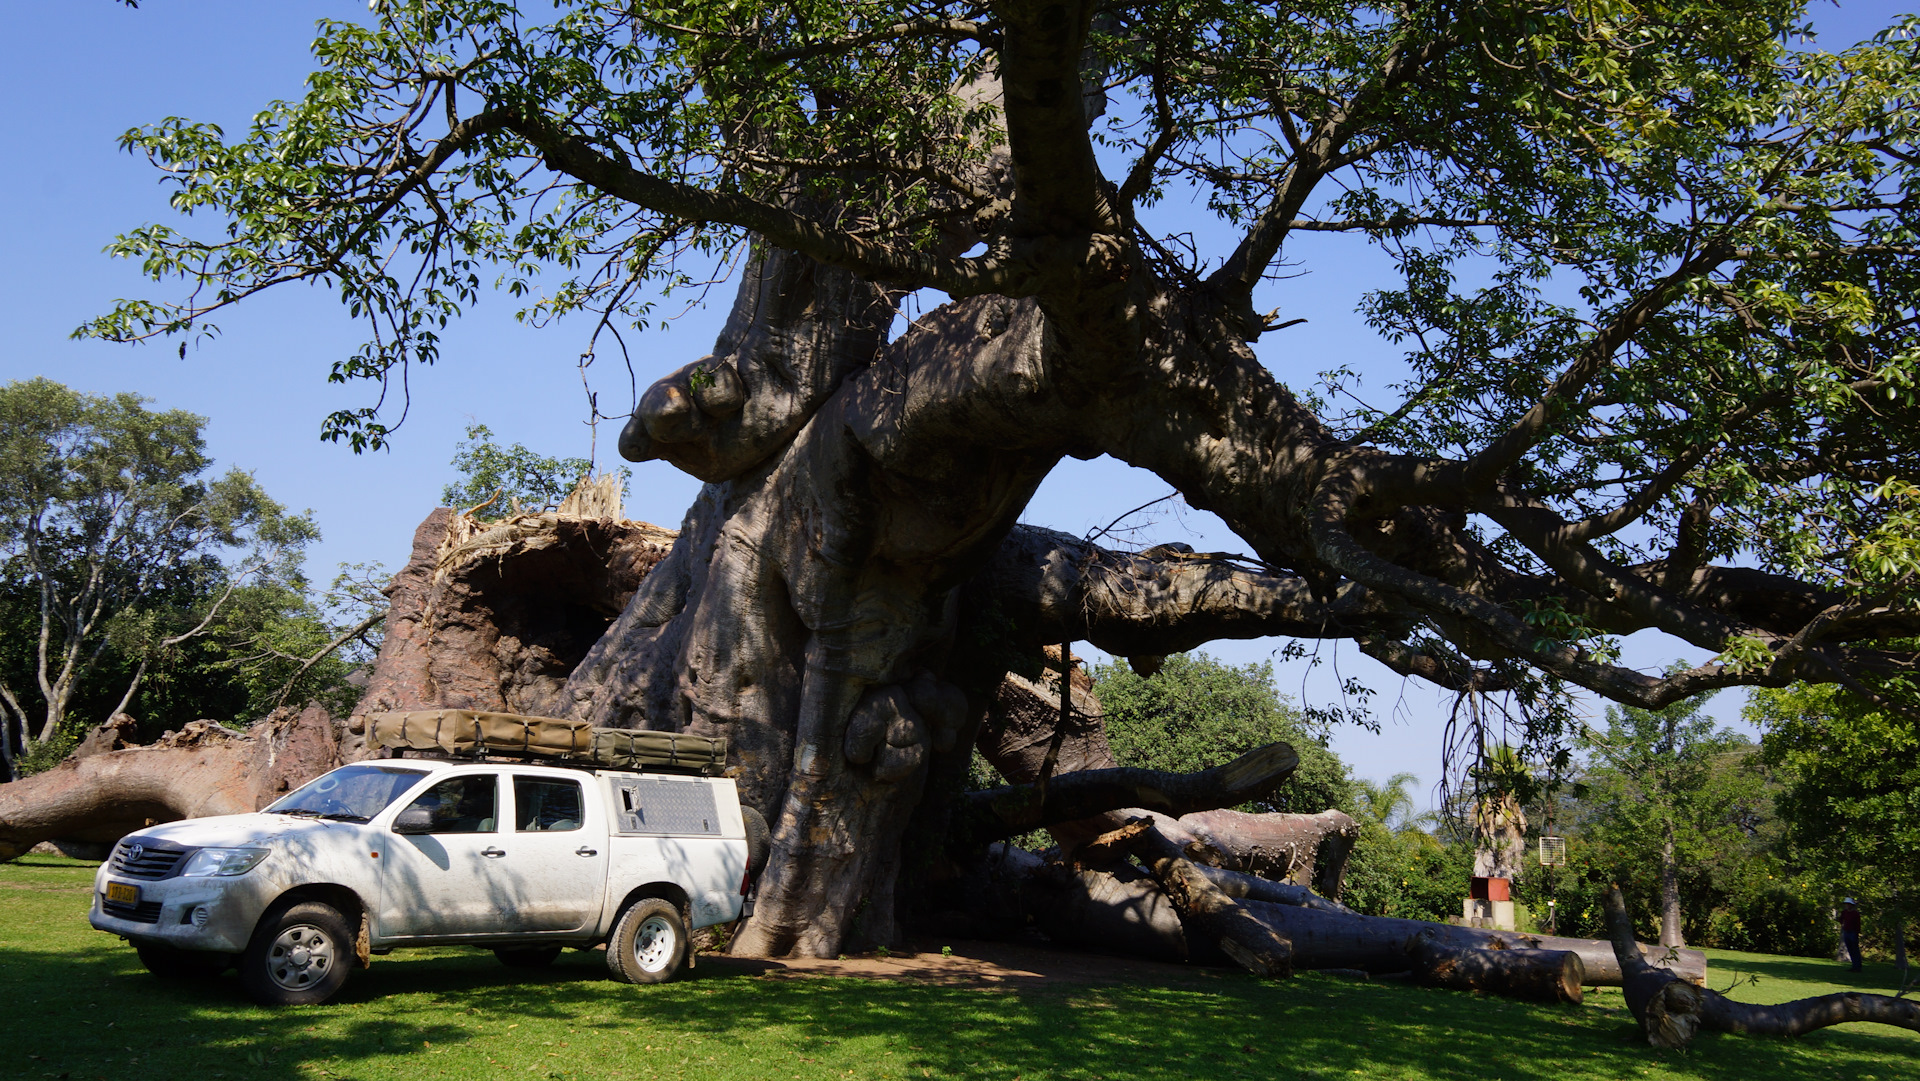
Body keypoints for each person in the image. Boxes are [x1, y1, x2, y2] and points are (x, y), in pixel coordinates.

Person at [1840, 897, 1863, 972]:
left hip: (1853, 932)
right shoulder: (1844, 912)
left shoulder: (1855, 914)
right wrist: (1843, 924)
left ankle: (1858, 966)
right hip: (1846, 932)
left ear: (1851, 905)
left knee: (1855, 949)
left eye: (1848, 904)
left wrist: (1857, 932)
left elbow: (1858, 924)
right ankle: (1854, 966)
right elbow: (1841, 919)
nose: (1847, 906)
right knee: (1850, 949)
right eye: (1846, 904)